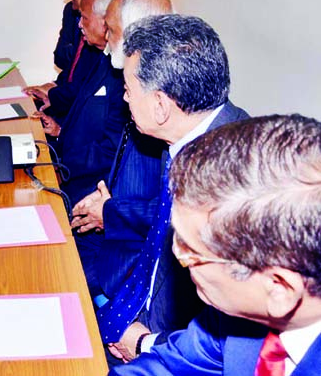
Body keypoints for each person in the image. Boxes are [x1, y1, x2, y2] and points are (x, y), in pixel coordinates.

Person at [112, 114, 321, 376]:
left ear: (279, 288)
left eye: (191, 253)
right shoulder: (235, 312)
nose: (174, 256)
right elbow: (167, 365)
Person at [97, 14, 249, 364]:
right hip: (137, 310)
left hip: (169, 348)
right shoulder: (190, 138)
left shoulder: (230, 183)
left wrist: (145, 342)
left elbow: (231, 338)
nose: (124, 99)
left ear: (161, 105)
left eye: (128, 90)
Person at [71, 0, 172, 300]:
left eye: (111, 30)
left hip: (131, 261)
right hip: (113, 226)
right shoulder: (136, 83)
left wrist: (110, 211)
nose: (105, 41)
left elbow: (172, 214)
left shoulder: (167, 104)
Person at [33, 0, 128, 207]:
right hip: (72, 171)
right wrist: (59, 133)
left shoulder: (123, 71)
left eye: (84, 18)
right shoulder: (103, 57)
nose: (79, 25)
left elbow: (111, 151)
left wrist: (59, 164)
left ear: (105, 20)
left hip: (90, 192)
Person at [26, 0, 117, 117]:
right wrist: (52, 88)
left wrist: (53, 96)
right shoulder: (78, 19)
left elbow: (85, 90)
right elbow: (68, 65)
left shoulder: (104, 38)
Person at [54, 0, 93, 77]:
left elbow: (87, 65)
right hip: (68, 85)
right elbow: (59, 58)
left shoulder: (98, 13)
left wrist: (71, 48)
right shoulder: (69, 10)